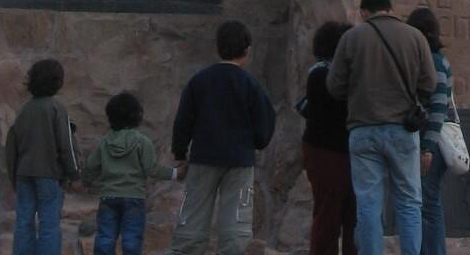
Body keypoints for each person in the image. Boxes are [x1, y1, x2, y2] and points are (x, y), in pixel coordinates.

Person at [326, 0, 437, 255]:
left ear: (364, 12)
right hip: (402, 129)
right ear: (390, 8)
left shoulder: (351, 38)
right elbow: (429, 83)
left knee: (368, 204)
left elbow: (334, 86)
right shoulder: (415, 37)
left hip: (363, 129)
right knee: (409, 202)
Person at [170, 19, 277, 255]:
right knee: (236, 224)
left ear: (217, 47)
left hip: (203, 158)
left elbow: (183, 121)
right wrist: (255, 143)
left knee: (192, 219)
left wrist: (180, 154)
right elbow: (265, 124)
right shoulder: (250, 85)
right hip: (239, 160)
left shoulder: (199, 81)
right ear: (247, 49)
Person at [83, 90, 176, 255]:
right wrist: (174, 173)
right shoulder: (143, 142)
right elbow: (152, 169)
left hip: (108, 197)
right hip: (134, 197)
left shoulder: (104, 142)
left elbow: (91, 166)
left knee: (105, 237)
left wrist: (85, 182)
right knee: (131, 239)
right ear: (137, 116)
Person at [5, 57, 80, 255]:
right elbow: (67, 146)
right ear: (57, 82)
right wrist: (74, 173)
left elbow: (11, 146)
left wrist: (14, 177)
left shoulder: (24, 111)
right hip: (49, 175)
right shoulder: (57, 109)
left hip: (23, 175)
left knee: (24, 221)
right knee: (49, 222)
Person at [301, 21, 357, 255]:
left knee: (343, 213)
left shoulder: (319, 73)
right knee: (330, 213)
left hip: (329, 149)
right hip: (329, 150)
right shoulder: (325, 75)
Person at [407, 7, 452, 255]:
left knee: (428, 203)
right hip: (428, 141)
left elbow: (437, 108)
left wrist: (427, 148)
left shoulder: (433, 62)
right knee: (424, 202)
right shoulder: (438, 60)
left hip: (430, 142)